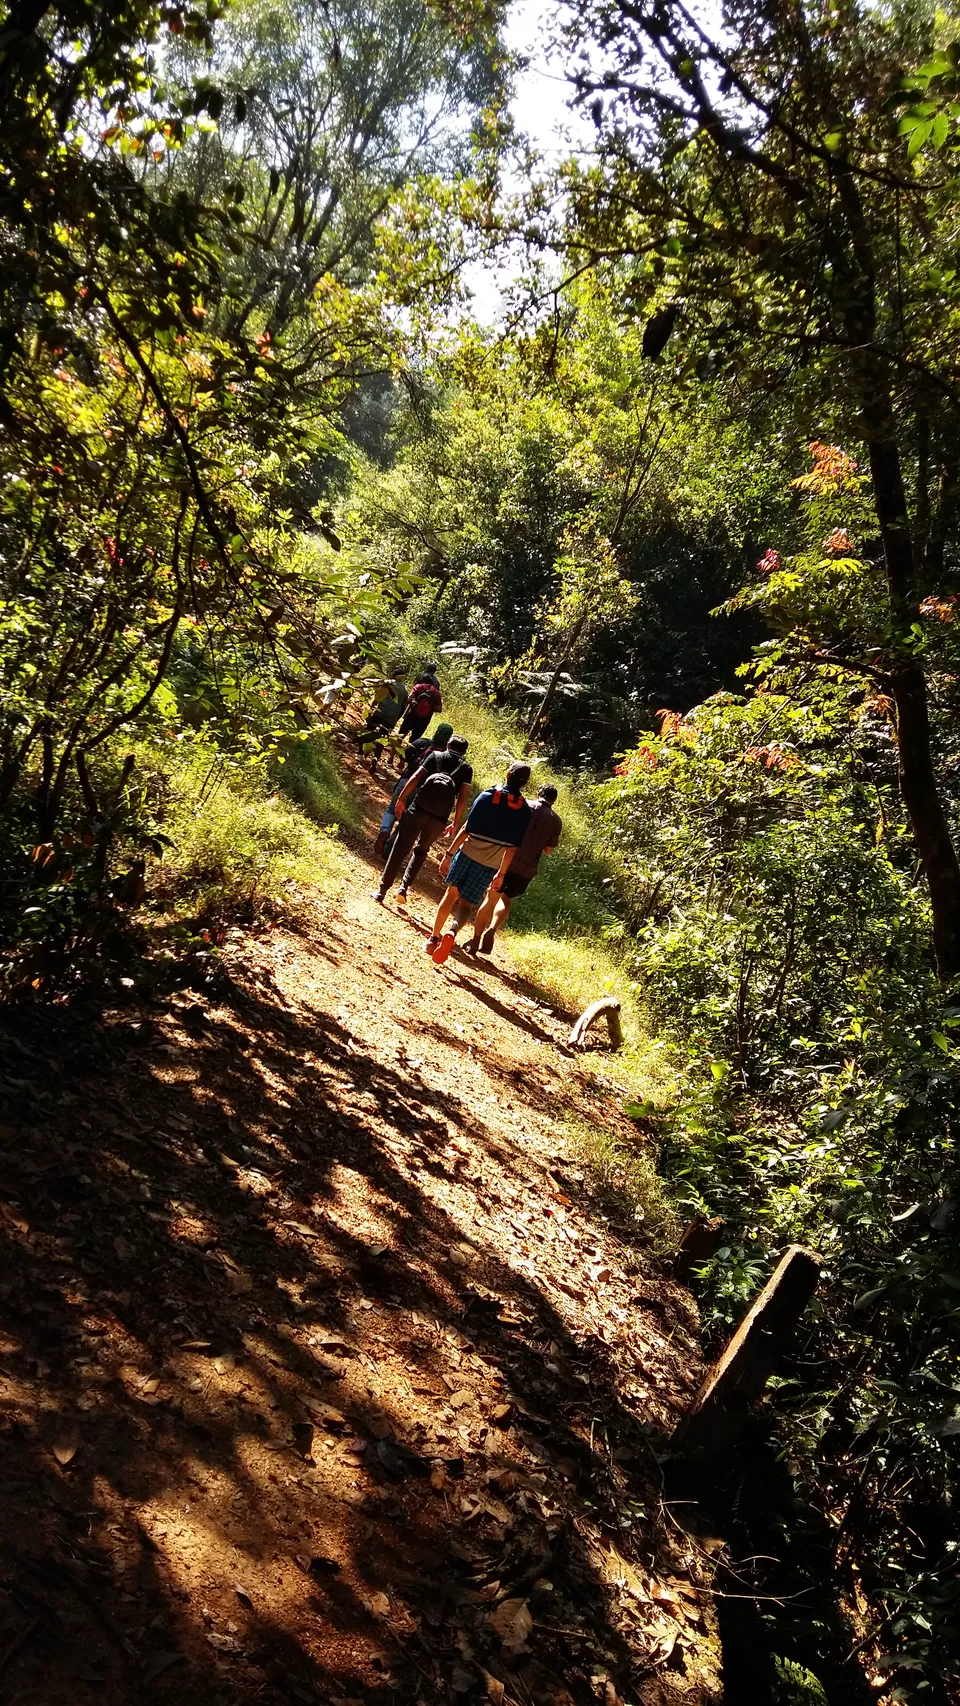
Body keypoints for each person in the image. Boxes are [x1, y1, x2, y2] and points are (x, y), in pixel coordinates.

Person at [424, 763, 532, 964]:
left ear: (507, 774)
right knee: (467, 904)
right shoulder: (524, 811)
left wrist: (449, 854)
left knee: (451, 895)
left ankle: (433, 939)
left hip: (466, 853)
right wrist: (501, 874)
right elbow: (512, 848)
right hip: (489, 865)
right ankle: (453, 930)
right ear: (525, 783)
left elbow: (466, 829)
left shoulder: (487, 796)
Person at [372, 735, 473, 905]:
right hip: (439, 818)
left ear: (448, 744)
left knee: (400, 848)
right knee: (421, 850)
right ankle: (403, 888)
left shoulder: (435, 756)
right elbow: (462, 798)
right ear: (464, 752)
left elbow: (416, 777)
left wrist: (401, 799)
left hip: (417, 810)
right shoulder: (466, 769)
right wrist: (455, 823)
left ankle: (382, 891)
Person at [473, 783, 562, 956]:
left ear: (539, 793)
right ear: (553, 801)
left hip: (505, 861)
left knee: (491, 899)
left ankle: (475, 940)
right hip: (526, 869)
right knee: (505, 900)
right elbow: (549, 850)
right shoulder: (556, 821)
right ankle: (492, 929)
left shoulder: (524, 805)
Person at [374, 721, 453, 859]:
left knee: (392, 810)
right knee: (406, 821)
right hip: (423, 792)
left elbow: (403, 755)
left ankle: (385, 831)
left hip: (406, 781)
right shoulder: (446, 758)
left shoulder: (422, 743)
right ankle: (389, 849)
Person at [358, 669, 408, 773]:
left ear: (394, 675)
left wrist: (372, 707)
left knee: (369, 730)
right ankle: (376, 758)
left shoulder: (388, 683)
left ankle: (360, 753)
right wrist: (395, 720)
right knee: (383, 738)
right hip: (391, 718)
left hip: (379, 713)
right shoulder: (405, 691)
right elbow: (403, 708)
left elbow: (378, 697)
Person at [398, 663, 442, 741]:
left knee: (402, 733)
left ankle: (394, 750)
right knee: (415, 738)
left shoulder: (421, 677)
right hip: (426, 716)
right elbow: (438, 707)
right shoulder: (436, 683)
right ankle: (409, 751)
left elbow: (411, 695)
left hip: (413, 710)